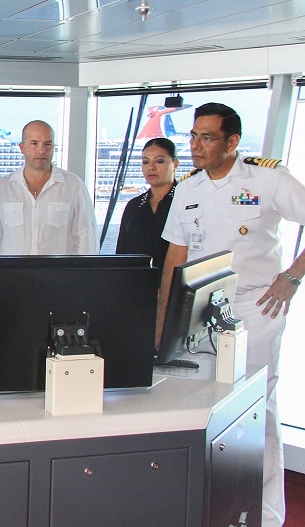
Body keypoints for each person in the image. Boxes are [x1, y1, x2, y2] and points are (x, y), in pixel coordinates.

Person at [160, 102, 305, 527]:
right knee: (199, 405)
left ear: (232, 141)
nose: (195, 145)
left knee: (259, 406)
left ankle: (267, 515)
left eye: (206, 137)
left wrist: (291, 277)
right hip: (198, 310)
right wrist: (163, 315)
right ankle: (206, 508)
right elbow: (176, 253)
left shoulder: (268, 179)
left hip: (255, 305)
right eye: (193, 136)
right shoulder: (188, 188)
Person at [0, 120, 97, 255]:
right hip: (12, 270)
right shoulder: (2, 188)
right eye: (34, 144)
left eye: (48, 144)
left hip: (58, 269)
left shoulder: (74, 186)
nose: (41, 150)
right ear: (22, 147)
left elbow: (87, 242)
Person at [115, 138, 179, 274]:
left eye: (159, 161)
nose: (151, 167)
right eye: (145, 162)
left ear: (175, 164)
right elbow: (121, 254)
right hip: (136, 283)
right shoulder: (133, 206)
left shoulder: (185, 202)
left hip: (175, 282)